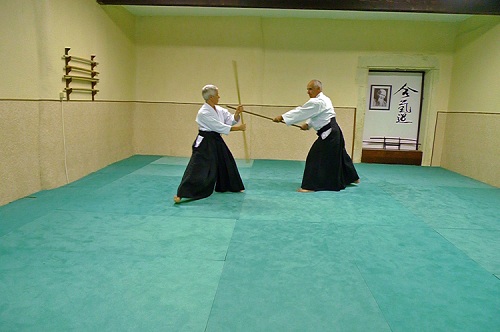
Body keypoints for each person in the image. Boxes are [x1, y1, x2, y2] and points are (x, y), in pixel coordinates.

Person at [273, 79, 360, 192]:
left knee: (314, 157)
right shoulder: (325, 99)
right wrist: (308, 124)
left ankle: (310, 186)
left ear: (318, 89)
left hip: (329, 134)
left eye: (310, 89)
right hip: (335, 131)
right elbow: (317, 114)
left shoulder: (317, 102)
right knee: (341, 154)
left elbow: (301, 111)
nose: (308, 92)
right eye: (307, 89)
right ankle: (353, 178)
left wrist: (282, 117)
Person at [174, 84, 246, 203]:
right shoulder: (203, 112)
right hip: (205, 141)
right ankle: (183, 193)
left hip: (216, 139)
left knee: (226, 160)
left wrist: (237, 113)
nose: (219, 97)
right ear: (211, 97)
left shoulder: (219, 110)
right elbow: (218, 127)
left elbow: (230, 120)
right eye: (217, 95)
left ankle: (229, 186)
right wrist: (238, 129)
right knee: (198, 166)